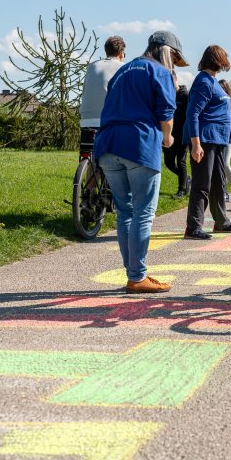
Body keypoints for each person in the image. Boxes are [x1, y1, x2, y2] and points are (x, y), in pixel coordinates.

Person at [92, 31, 179, 293]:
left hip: (108, 143)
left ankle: (134, 274)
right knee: (143, 212)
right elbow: (165, 113)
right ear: (166, 51)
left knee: (125, 212)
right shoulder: (160, 72)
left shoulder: (123, 69)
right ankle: (137, 276)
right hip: (139, 143)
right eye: (174, 56)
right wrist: (168, 137)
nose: (174, 62)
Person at [184, 45, 231, 240]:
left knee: (219, 183)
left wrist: (230, 113)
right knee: (202, 184)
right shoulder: (203, 81)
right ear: (217, 60)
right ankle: (193, 227)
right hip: (205, 139)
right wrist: (196, 144)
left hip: (218, 140)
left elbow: (215, 104)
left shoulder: (212, 82)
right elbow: (193, 113)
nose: (227, 62)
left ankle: (221, 222)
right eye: (225, 58)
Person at [79, 35, 126, 128]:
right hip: (109, 121)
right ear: (121, 53)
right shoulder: (123, 68)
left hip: (86, 121)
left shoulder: (92, 66)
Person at [164, 73, 191, 197]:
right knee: (168, 162)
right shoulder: (166, 95)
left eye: (171, 80)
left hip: (182, 135)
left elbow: (190, 116)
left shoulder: (185, 95)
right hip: (169, 134)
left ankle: (181, 189)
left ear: (175, 79)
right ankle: (186, 179)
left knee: (181, 161)